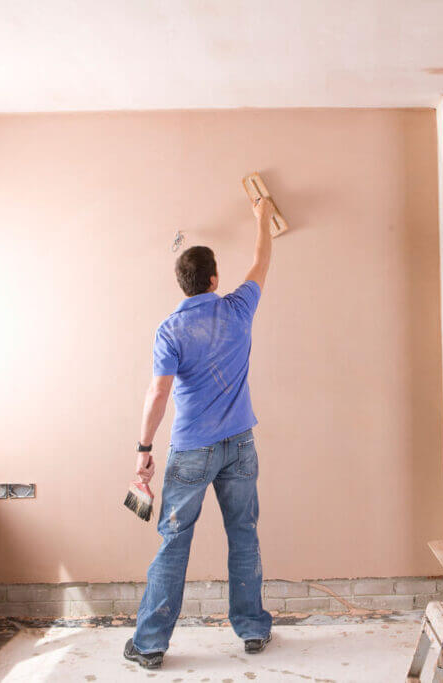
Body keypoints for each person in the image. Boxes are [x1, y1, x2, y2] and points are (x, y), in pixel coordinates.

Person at [124, 197, 276, 670]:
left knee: (174, 540)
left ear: (182, 284)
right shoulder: (238, 307)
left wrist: (144, 449)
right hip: (240, 445)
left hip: (191, 451)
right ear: (214, 279)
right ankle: (252, 630)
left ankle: (149, 645)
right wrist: (263, 219)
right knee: (244, 535)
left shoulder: (170, 330)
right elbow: (261, 261)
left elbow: (158, 394)